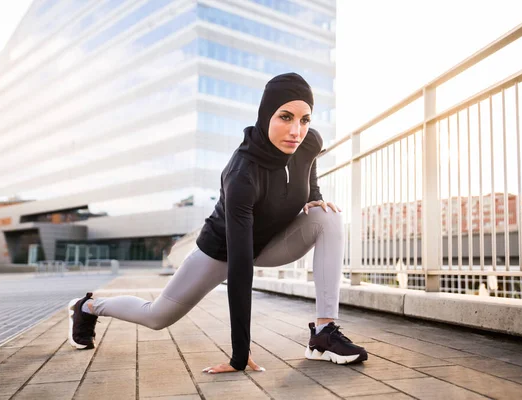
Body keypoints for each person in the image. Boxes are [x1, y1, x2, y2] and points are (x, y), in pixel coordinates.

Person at [68, 73, 368, 374]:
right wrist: (240, 355)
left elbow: (308, 166)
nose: (296, 130)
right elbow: (240, 267)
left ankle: (323, 334)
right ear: (266, 115)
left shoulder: (309, 141)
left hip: (268, 244)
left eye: (305, 119)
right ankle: (88, 307)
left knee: (328, 215)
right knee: (157, 316)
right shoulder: (242, 174)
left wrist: (314, 195)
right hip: (221, 251)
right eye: (285, 117)